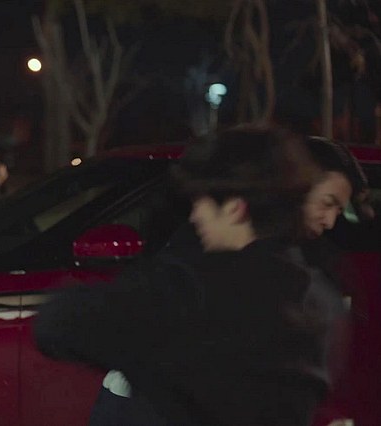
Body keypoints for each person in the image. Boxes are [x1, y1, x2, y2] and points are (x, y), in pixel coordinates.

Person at [35, 125, 348, 426]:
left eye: (203, 202)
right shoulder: (321, 302)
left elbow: (59, 323)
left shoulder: (194, 291)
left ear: (235, 208)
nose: (196, 215)